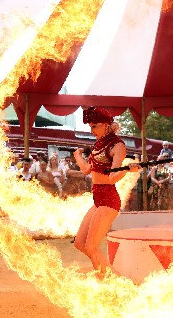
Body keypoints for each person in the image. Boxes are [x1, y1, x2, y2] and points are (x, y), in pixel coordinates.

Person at [72, 106, 139, 277]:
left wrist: (127, 170)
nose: (91, 130)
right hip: (98, 199)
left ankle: (106, 280)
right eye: (90, 126)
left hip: (109, 200)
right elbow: (87, 170)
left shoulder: (118, 146)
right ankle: (113, 276)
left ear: (106, 125)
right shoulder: (98, 145)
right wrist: (77, 155)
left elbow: (112, 177)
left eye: (95, 126)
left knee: (91, 246)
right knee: (79, 243)